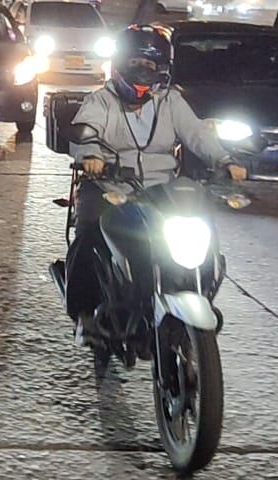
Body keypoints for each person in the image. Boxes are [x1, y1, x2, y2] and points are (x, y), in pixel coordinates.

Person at [65, 25, 246, 339]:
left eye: (150, 65)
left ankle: (196, 287)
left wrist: (225, 160)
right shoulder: (101, 101)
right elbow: (84, 131)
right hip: (110, 187)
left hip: (162, 190)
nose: (142, 71)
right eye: (136, 62)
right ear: (121, 63)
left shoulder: (171, 102)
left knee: (199, 226)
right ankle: (84, 312)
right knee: (88, 235)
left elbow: (198, 134)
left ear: (163, 68)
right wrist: (91, 155)